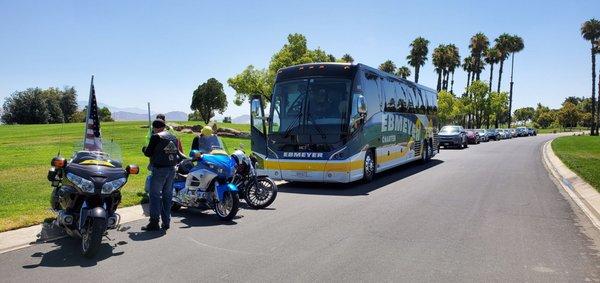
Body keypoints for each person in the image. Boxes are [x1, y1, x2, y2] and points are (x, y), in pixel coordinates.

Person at [141, 118, 183, 231]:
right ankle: (166, 222)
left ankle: (154, 222)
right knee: (167, 196)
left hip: (159, 169)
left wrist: (144, 149)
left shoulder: (156, 137)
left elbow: (148, 152)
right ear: (164, 127)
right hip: (172, 169)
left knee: (154, 196)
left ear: (154, 128)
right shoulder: (173, 137)